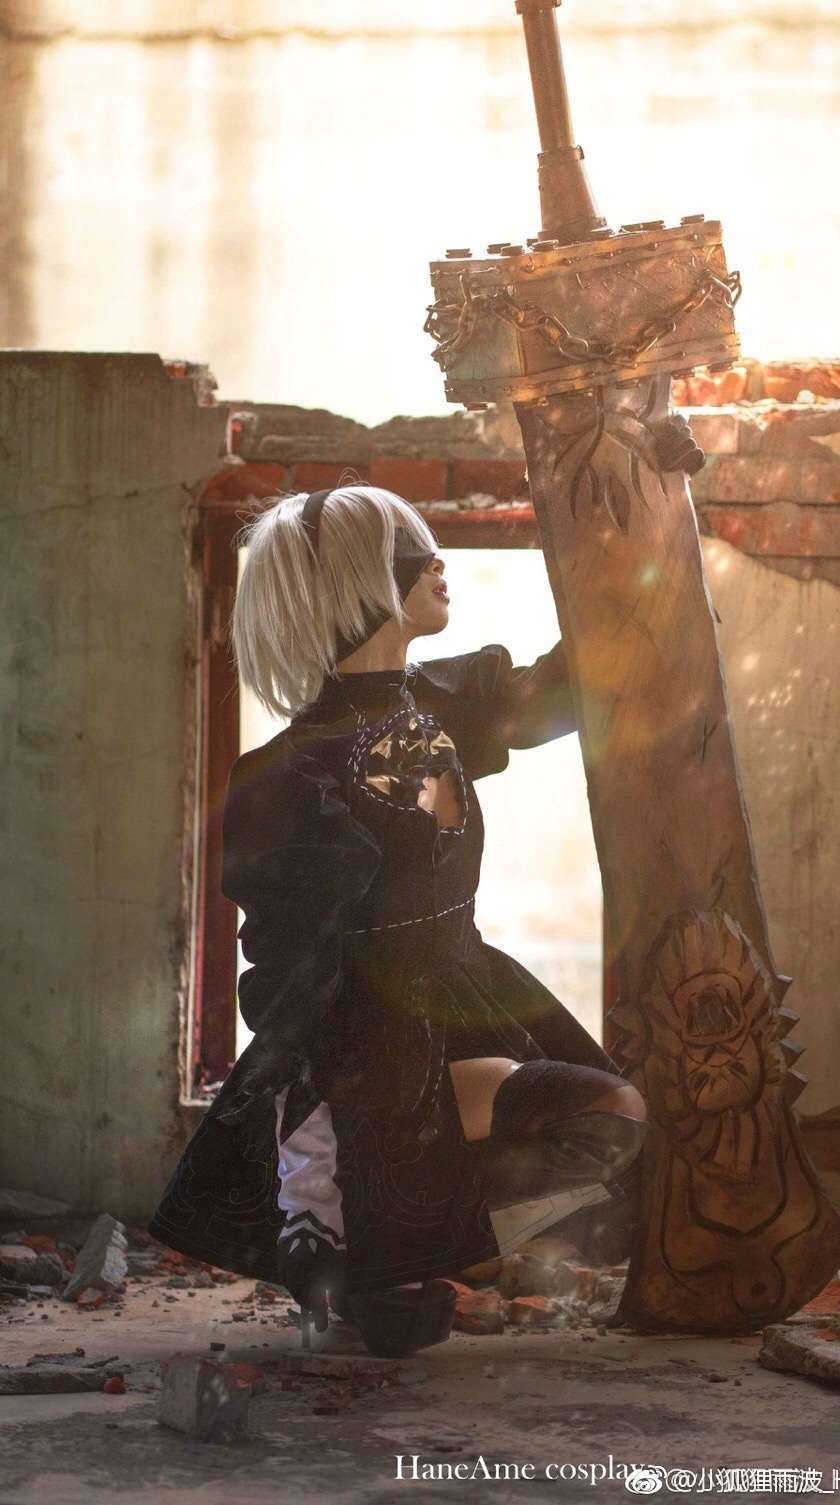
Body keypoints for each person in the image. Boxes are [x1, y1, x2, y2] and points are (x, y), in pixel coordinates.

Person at [150, 482, 653, 1358]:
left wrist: (642, 573)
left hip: (465, 996)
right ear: (357, 585)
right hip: (365, 1050)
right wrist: (317, 1149)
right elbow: (285, 977)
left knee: (614, 1117)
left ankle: (399, 1245)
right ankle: (365, 1233)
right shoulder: (284, 775)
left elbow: (559, 692)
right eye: (408, 554)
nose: (436, 562)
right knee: (404, 1322)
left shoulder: (441, 702)